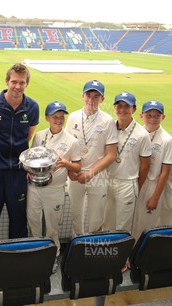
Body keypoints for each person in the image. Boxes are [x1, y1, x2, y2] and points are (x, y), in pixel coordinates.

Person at [0, 63, 39, 252]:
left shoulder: (32, 107)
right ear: (7, 81)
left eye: (22, 83)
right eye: (14, 82)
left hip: (18, 173)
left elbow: (27, 138)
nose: (17, 86)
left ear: (26, 84)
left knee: (18, 216)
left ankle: (16, 253)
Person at [28, 101, 81, 272]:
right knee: (33, 222)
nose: (58, 120)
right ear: (47, 118)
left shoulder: (72, 141)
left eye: (61, 117)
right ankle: (35, 254)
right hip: (34, 187)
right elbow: (31, 159)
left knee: (52, 227)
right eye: (54, 116)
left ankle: (53, 257)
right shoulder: (39, 136)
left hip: (55, 189)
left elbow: (78, 167)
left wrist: (66, 163)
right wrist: (28, 171)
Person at [66, 80, 118, 235]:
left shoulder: (108, 121)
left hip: (98, 174)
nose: (91, 100)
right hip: (75, 174)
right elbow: (67, 147)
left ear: (102, 99)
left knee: (96, 217)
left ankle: (93, 248)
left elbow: (111, 155)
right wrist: (70, 169)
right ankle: (77, 244)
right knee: (76, 214)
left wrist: (90, 173)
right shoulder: (73, 117)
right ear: (83, 96)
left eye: (96, 96)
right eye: (88, 95)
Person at [103, 92, 151, 234]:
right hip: (108, 180)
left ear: (134, 109)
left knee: (123, 226)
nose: (122, 110)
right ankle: (107, 253)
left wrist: (136, 185)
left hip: (127, 183)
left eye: (127, 106)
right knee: (107, 222)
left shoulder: (142, 134)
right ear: (114, 107)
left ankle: (122, 256)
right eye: (119, 106)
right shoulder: (109, 127)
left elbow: (145, 165)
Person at [131, 101, 172, 240]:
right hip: (133, 181)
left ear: (163, 117)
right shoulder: (136, 133)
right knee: (131, 221)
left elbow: (165, 172)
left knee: (145, 225)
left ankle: (139, 258)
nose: (153, 119)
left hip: (151, 185)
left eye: (157, 115)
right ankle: (127, 255)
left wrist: (155, 197)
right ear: (141, 115)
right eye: (149, 115)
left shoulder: (166, 140)